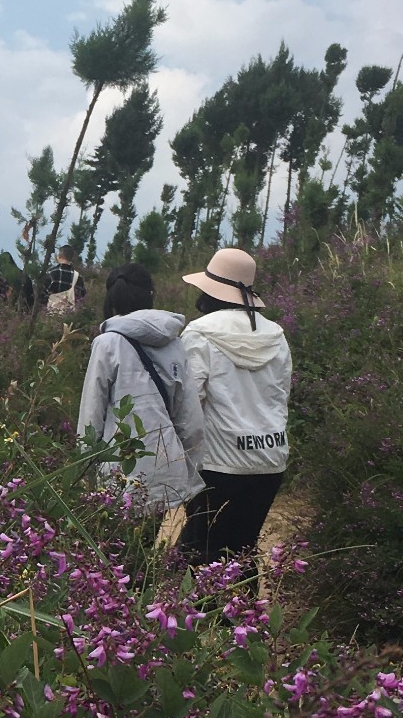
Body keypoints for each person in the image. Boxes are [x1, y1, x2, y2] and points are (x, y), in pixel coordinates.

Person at [175, 247, 291, 575]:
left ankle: (194, 622)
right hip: (270, 460)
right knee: (242, 551)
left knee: (200, 552)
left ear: (208, 289)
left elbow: (188, 403)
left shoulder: (199, 333)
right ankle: (243, 621)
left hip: (218, 463)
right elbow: (281, 395)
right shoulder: (276, 335)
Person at [76, 264, 204, 535]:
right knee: (144, 550)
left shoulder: (107, 344)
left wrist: (84, 472)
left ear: (111, 299)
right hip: (163, 466)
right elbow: (190, 421)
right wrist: (188, 472)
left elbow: (91, 414)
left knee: (113, 561)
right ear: (150, 294)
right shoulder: (174, 343)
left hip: (117, 472)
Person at [42, 245, 85, 317]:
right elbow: (82, 297)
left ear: (59, 256)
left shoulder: (51, 273)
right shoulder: (77, 277)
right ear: (71, 258)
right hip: (70, 318)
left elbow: (42, 295)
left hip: (51, 317)